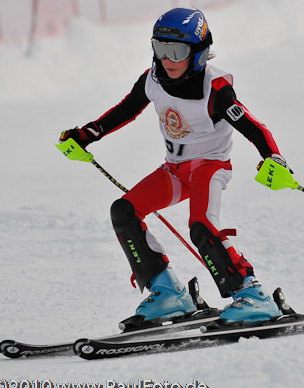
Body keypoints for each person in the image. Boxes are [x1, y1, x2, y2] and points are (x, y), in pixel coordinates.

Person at [59, 8, 290, 325]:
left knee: (202, 226)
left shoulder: (215, 89)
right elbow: (126, 109)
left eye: (177, 51)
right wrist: (88, 133)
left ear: (198, 53)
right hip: (175, 171)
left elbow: (253, 126)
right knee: (124, 211)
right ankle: (169, 291)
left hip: (210, 167)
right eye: (160, 48)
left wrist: (273, 158)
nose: (167, 59)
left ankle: (253, 294)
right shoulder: (154, 78)